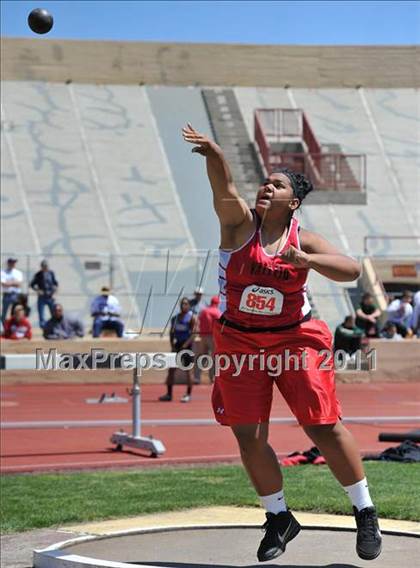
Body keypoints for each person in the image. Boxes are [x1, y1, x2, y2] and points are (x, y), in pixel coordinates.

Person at [182, 124, 381, 562]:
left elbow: (350, 269)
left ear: (293, 202)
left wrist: (307, 260)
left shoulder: (303, 240)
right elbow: (224, 185)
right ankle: (278, 517)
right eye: (265, 183)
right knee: (248, 434)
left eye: (277, 185)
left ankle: (364, 510)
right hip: (239, 340)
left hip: (295, 338)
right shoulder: (237, 225)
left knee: (322, 425)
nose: (266, 188)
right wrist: (214, 152)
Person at [159, 297, 197, 403]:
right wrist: (172, 344)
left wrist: (185, 345)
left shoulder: (191, 318)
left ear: (189, 305)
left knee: (188, 371)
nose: (183, 306)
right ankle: (169, 394)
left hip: (187, 347)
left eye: (185, 304)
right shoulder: (175, 318)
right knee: (171, 370)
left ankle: (188, 394)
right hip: (177, 346)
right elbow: (171, 332)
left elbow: (194, 334)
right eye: (182, 304)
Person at [197, 295, 222, 383]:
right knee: (214, 358)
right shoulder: (217, 312)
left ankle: (197, 377)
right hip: (212, 337)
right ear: (217, 303)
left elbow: (198, 323)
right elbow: (220, 326)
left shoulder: (203, 311)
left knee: (202, 357)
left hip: (203, 336)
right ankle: (212, 378)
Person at [30, 260, 59, 328]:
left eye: (46, 266)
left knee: (53, 312)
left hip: (50, 296)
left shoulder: (51, 273)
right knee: (41, 314)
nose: (45, 268)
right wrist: (38, 290)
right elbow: (32, 285)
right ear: (41, 267)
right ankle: (43, 327)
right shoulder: (38, 274)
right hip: (42, 297)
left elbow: (56, 284)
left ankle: (54, 326)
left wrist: (55, 293)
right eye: (43, 266)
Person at [1, 258, 23, 323]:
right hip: (7, 294)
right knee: (4, 312)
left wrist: (9, 282)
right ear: (8, 263)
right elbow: (4, 284)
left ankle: (14, 327)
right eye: (12, 262)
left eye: (14, 262)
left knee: (16, 312)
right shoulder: (3, 272)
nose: (13, 264)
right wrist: (13, 282)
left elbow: (19, 284)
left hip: (16, 295)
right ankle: (4, 328)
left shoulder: (18, 272)